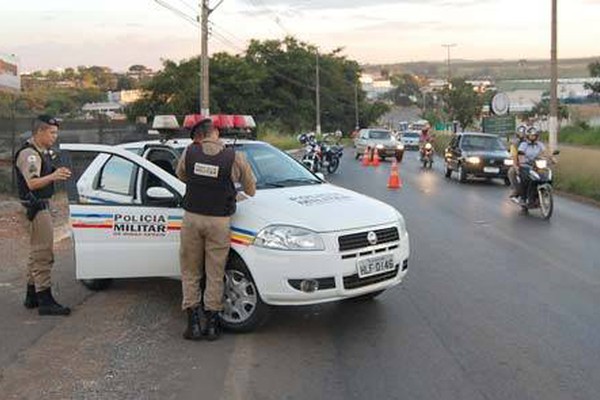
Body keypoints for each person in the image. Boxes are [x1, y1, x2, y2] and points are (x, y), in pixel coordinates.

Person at [176, 118, 256, 341]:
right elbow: (251, 189)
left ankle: (193, 324)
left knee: (190, 271)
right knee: (215, 272)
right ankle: (211, 324)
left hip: (192, 218)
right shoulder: (234, 157)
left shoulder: (189, 152)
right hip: (219, 221)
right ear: (217, 132)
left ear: (199, 136)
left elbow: (182, 175)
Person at [13, 115, 72, 316]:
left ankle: (32, 295)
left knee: (35, 254)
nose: (55, 136)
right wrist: (54, 176)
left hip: (39, 206)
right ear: (39, 131)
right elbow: (32, 183)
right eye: (52, 132)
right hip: (36, 208)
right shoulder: (29, 154)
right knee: (43, 254)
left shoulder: (41, 152)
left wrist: (55, 171)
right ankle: (45, 300)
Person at [515, 128, 546, 202]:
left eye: (534, 135)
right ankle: (524, 198)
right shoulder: (524, 144)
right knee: (526, 179)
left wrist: (551, 158)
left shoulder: (539, 144)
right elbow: (520, 154)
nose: (533, 137)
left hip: (536, 165)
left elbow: (545, 152)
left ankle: (544, 192)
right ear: (527, 136)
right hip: (526, 165)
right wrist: (522, 161)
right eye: (531, 135)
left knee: (545, 176)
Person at [508, 125, 528, 201]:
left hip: (532, 163)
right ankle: (516, 190)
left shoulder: (532, 142)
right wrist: (516, 166)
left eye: (523, 132)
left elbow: (540, 151)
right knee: (511, 172)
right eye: (520, 133)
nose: (522, 134)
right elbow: (514, 156)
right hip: (520, 163)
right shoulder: (515, 144)